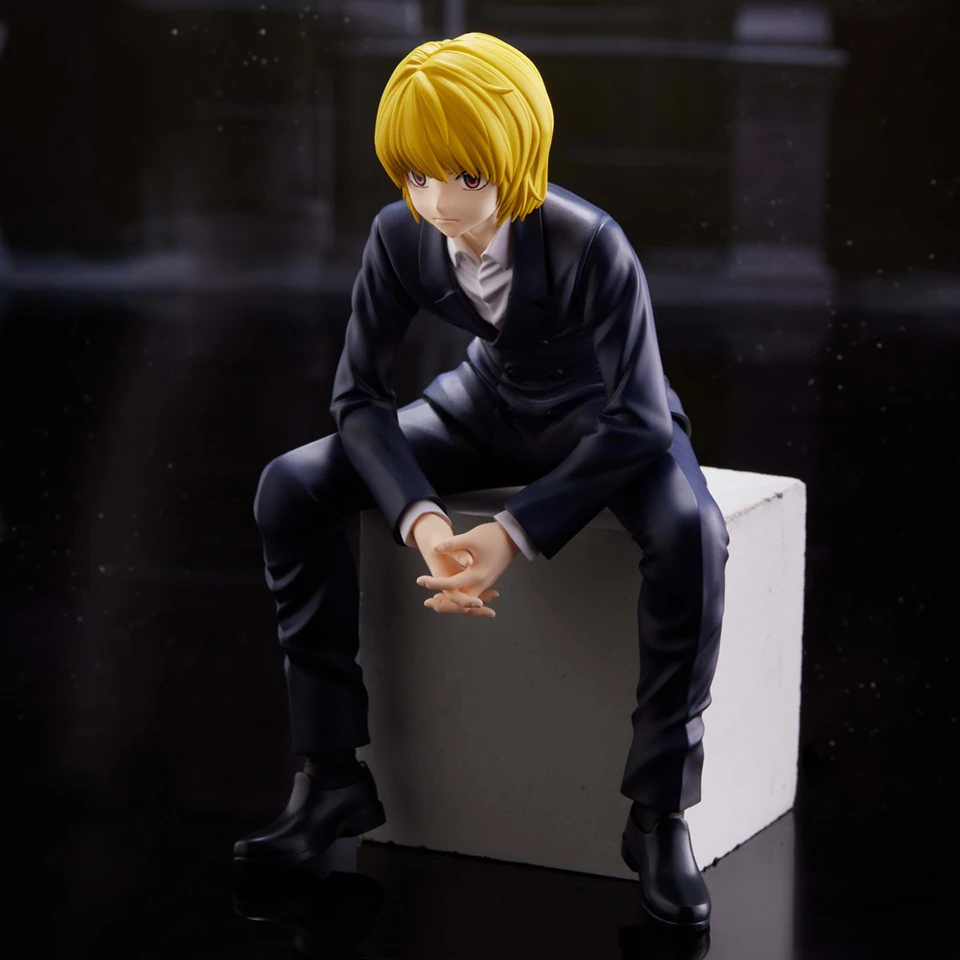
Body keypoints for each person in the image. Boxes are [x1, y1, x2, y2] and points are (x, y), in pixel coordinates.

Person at [234, 32, 729, 932]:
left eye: (461, 176)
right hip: (483, 404)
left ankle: (659, 814)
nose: (437, 201)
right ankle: (330, 777)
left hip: (601, 418)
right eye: (415, 176)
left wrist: (511, 533)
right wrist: (423, 520)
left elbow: (640, 418)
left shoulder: (591, 243)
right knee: (290, 484)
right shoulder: (401, 234)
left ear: (514, 156)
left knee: (692, 531)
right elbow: (359, 397)